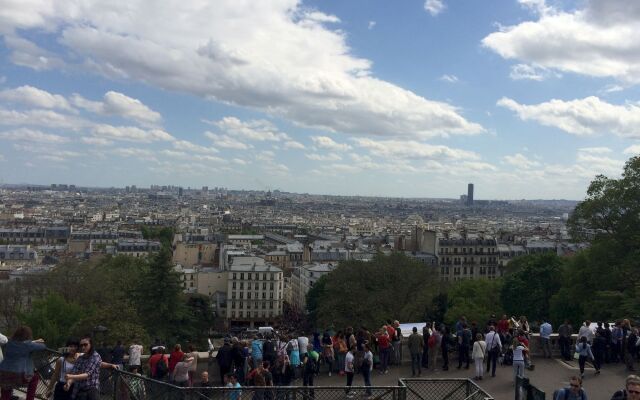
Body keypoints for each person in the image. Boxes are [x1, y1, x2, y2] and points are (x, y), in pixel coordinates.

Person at [0, 326, 46, 400]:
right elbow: (42, 346)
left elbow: (20, 345)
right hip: (18, 374)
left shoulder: (9, 343)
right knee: (35, 378)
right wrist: (35, 342)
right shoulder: (28, 345)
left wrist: (31, 342)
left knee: (6, 388)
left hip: (3, 372)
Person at [65, 336, 108, 400]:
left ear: (91, 345)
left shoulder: (95, 356)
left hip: (91, 390)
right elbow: (74, 372)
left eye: (85, 345)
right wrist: (68, 383)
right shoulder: (80, 358)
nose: (83, 347)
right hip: (80, 390)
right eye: (81, 345)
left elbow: (87, 374)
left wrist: (71, 376)